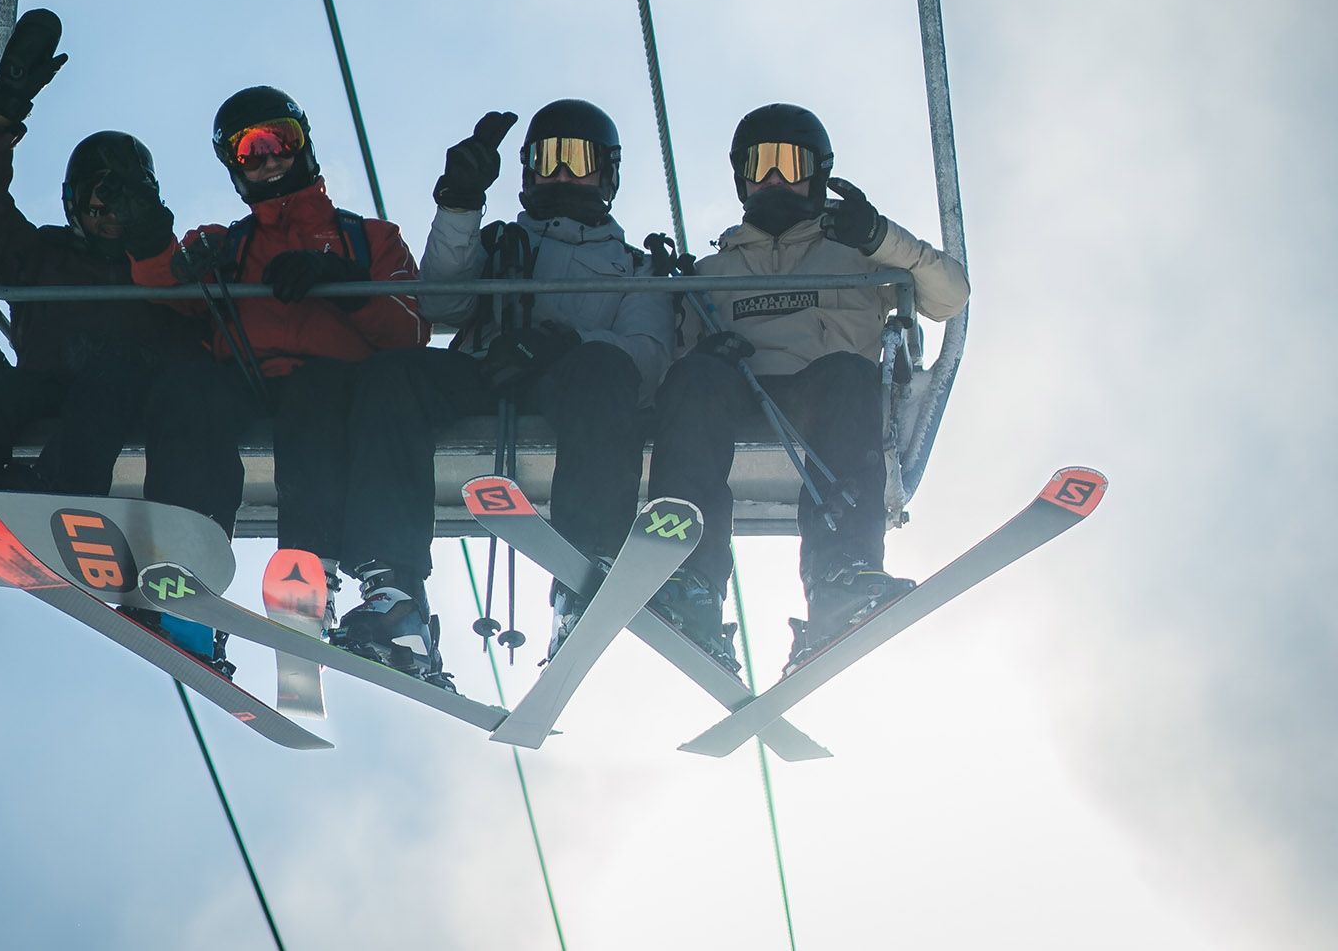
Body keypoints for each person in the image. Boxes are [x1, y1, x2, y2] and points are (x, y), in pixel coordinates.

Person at [0, 7, 210, 646]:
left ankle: (59, 501)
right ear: (72, 203)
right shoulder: (38, 253)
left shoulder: (162, 262)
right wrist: (3, 115)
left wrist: (152, 235)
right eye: (96, 198)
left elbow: (200, 316)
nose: (108, 212)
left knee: (114, 373)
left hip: (136, 404)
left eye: (123, 197)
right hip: (52, 388)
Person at [127, 87, 439, 680]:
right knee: (188, 391)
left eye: (280, 141)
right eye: (251, 150)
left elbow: (408, 334)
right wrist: (148, 235)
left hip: (337, 387)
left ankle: (309, 568)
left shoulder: (367, 239)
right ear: (234, 166)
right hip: (247, 381)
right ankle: (189, 574)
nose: (269, 158)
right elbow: (165, 282)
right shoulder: (228, 245)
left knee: (313, 395)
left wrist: (342, 284)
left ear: (303, 144)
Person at [646, 102, 970, 669]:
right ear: (742, 177)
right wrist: (703, 353)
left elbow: (949, 297)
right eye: (760, 165)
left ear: (817, 173)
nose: (774, 178)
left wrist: (880, 238)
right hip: (736, 394)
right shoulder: (710, 273)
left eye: (789, 164)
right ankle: (688, 580)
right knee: (694, 380)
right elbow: (666, 366)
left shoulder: (858, 257)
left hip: (818, 399)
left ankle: (841, 575)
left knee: (851, 376)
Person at [379, 100, 675, 660]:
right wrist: (460, 205)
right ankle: (392, 587)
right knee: (394, 375)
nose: (561, 172)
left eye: (577, 159)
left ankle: (584, 571)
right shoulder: (494, 244)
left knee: (606, 372)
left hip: (573, 386)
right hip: (489, 371)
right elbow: (441, 301)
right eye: (548, 158)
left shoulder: (636, 268)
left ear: (607, 172)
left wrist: (566, 341)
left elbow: (648, 359)